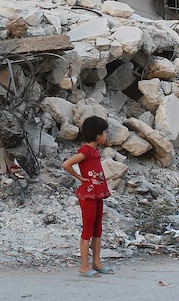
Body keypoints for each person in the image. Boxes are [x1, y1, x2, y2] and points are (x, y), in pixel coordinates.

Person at [62, 116, 115, 278]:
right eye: (104, 132)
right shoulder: (85, 151)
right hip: (88, 194)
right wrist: (79, 178)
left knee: (98, 228)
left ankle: (96, 262)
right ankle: (84, 266)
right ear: (97, 135)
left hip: (97, 193)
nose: (106, 135)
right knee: (88, 229)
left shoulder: (95, 150)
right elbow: (66, 164)